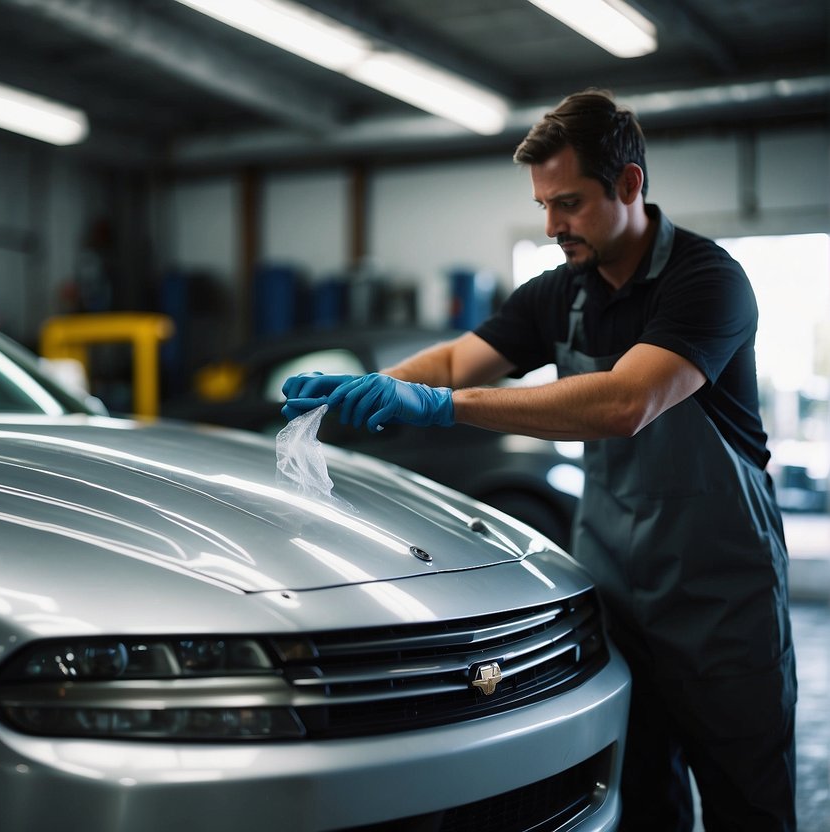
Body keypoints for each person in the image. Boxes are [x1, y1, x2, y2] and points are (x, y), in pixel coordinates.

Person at [282, 88, 797, 831]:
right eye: (543, 205)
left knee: (747, 804)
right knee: (642, 800)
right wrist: (368, 389)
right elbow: (463, 357)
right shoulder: (559, 293)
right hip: (616, 599)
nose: (551, 225)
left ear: (627, 184)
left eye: (569, 203)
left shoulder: (706, 282)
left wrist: (440, 408)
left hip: (719, 605)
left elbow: (625, 403)